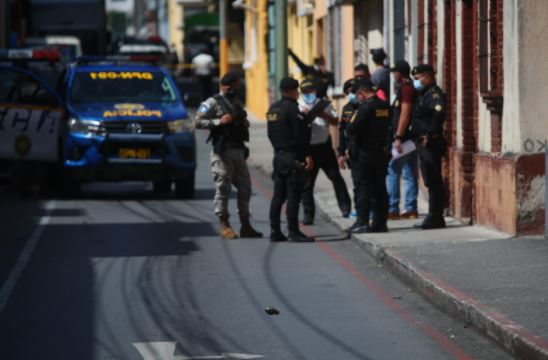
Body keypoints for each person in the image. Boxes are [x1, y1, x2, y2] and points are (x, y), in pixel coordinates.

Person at [195, 71, 263, 239]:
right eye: (230, 87)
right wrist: (218, 122)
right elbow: (197, 121)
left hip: (239, 150)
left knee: (245, 189)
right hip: (222, 152)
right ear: (223, 87)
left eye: (235, 86)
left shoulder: (236, 103)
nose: (233, 89)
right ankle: (224, 225)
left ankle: (246, 226)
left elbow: (240, 121)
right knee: (223, 189)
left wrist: (243, 123)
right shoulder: (212, 102)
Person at [266, 77, 315, 242]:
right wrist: (307, 154)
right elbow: (300, 135)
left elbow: (271, 134)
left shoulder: (273, 109)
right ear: (293, 91)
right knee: (293, 195)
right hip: (293, 157)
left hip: (278, 156)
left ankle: (275, 231)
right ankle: (293, 231)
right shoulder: (293, 109)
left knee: (278, 196)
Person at [298, 78, 351, 224]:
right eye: (306, 92)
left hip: (324, 146)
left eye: (311, 91)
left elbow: (335, 121)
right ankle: (309, 215)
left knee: (336, 178)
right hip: (309, 149)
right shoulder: (298, 105)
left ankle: (345, 208)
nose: (309, 94)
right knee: (308, 184)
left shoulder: (322, 103)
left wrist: (323, 114)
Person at [346, 79, 391, 233]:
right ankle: (380, 222)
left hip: (363, 154)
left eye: (358, 95)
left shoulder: (364, 108)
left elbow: (351, 129)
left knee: (362, 188)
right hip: (379, 152)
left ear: (361, 93)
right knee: (379, 188)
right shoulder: (385, 106)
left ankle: (362, 222)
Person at [410, 64, 447, 229]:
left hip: (431, 142)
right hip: (424, 143)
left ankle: (436, 216)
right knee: (429, 180)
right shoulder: (423, 94)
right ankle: (433, 216)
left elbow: (438, 114)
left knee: (433, 179)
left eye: (417, 79)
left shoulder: (434, 94)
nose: (415, 82)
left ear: (428, 77)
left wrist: (429, 134)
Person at [387, 60, 419, 220]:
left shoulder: (406, 89)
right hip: (411, 138)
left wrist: (398, 136)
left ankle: (392, 209)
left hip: (405, 138)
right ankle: (410, 208)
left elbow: (405, 113)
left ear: (399, 73)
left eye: (394, 72)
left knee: (393, 170)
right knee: (410, 172)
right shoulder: (408, 87)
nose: (393, 75)